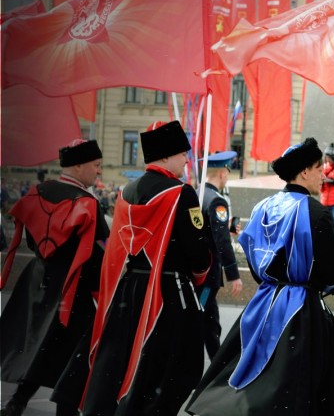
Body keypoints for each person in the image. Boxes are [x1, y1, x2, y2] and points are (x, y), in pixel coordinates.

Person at [185, 137, 334, 416]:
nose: (323, 174)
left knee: (249, 364)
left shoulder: (262, 207)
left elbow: (251, 251)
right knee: (299, 378)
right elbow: (330, 270)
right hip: (301, 306)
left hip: (264, 301)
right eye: (318, 167)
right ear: (305, 171)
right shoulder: (317, 213)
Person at [81, 121, 211, 416]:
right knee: (178, 368)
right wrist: (202, 274)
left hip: (129, 291)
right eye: (182, 154)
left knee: (126, 361)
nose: (186, 160)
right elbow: (198, 255)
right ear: (165, 157)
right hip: (169, 292)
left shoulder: (127, 190)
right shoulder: (181, 193)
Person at [0, 140, 108, 416]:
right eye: (96, 166)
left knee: (39, 343)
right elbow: (98, 256)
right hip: (75, 288)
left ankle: (18, 401)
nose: (98, 172)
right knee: (76, 354)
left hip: (37, 281)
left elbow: (31, 242)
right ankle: (65, 410)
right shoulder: (87, 204)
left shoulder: (38, 192)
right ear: (78, 165)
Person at [196, 151, 244, 359]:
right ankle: (213, 368)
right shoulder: (217, 201)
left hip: (196, 269)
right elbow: (221, 241)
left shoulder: (197, 194)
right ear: (223, 173)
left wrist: (225, 227)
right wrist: (233, 274)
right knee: (204, 317)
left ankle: (217, 364)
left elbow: (202, 230)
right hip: (208, 275)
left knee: (209, 318)